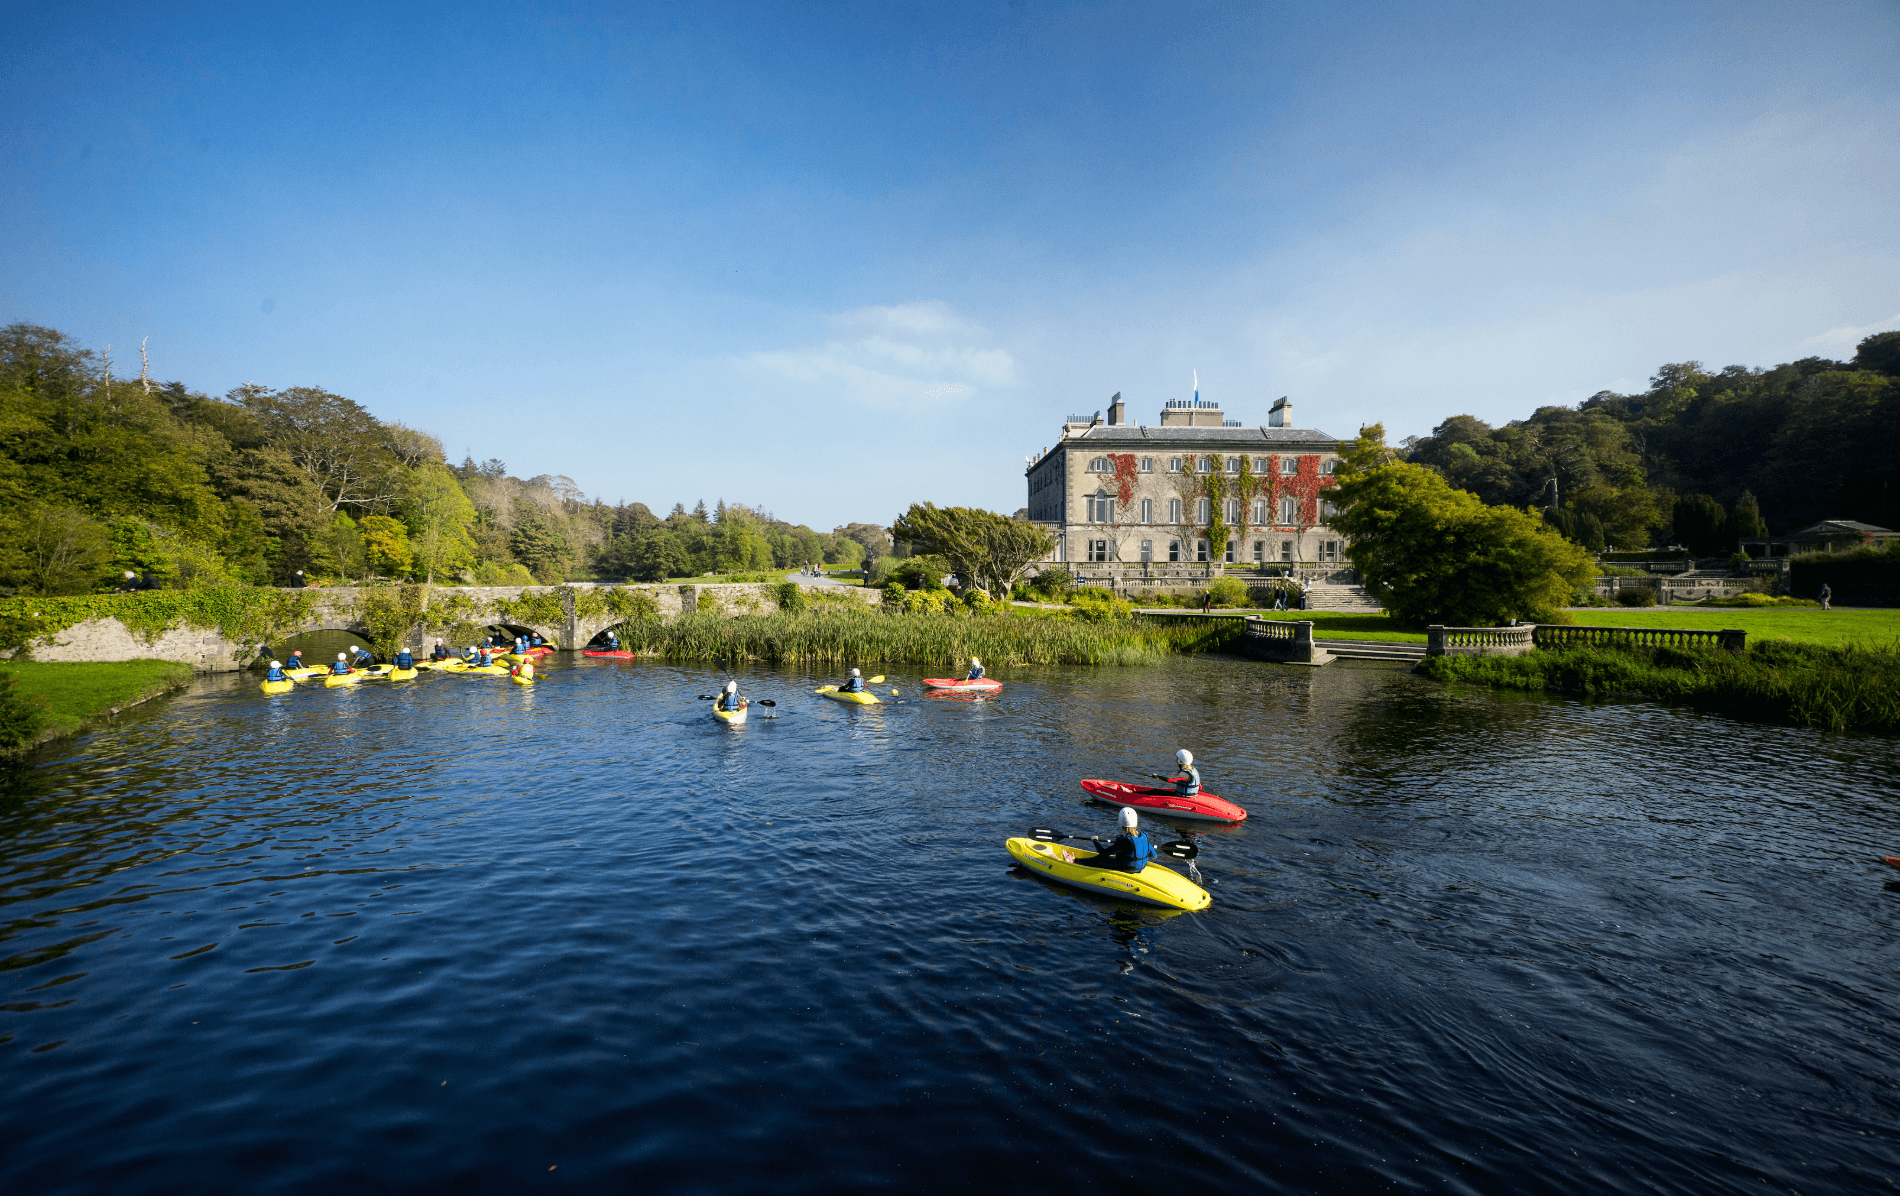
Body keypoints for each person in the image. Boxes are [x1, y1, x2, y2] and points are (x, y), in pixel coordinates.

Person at [1086, 807, 1155, 873]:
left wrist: (1095, 840)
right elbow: (1154, 856)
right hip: (1141, 868)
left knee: (1099, 859)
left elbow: (1103, 852)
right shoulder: (1145, 836)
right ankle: (1076, 860)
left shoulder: (1125, 841)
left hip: (1124, 869)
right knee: (1103, 858)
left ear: (1121, 823)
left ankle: (1076, 862)